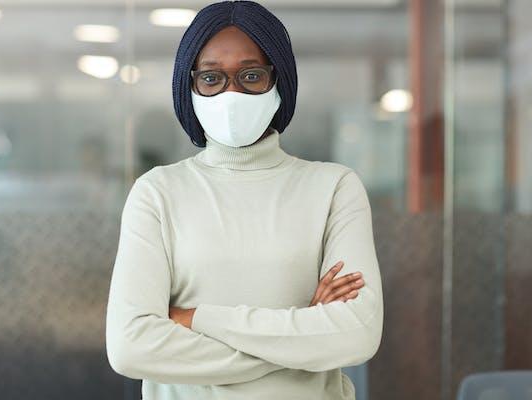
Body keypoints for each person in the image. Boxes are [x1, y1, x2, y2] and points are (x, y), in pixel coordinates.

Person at [105, 1, 383, 399]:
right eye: (212, 78)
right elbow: (130, 348)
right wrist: (303, 331)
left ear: (279, 79)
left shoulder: (334, 188)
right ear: (191, 86)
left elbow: (357, 335)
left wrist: (195, 319)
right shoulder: (157, 193)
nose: (231, 93)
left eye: (251, 76)